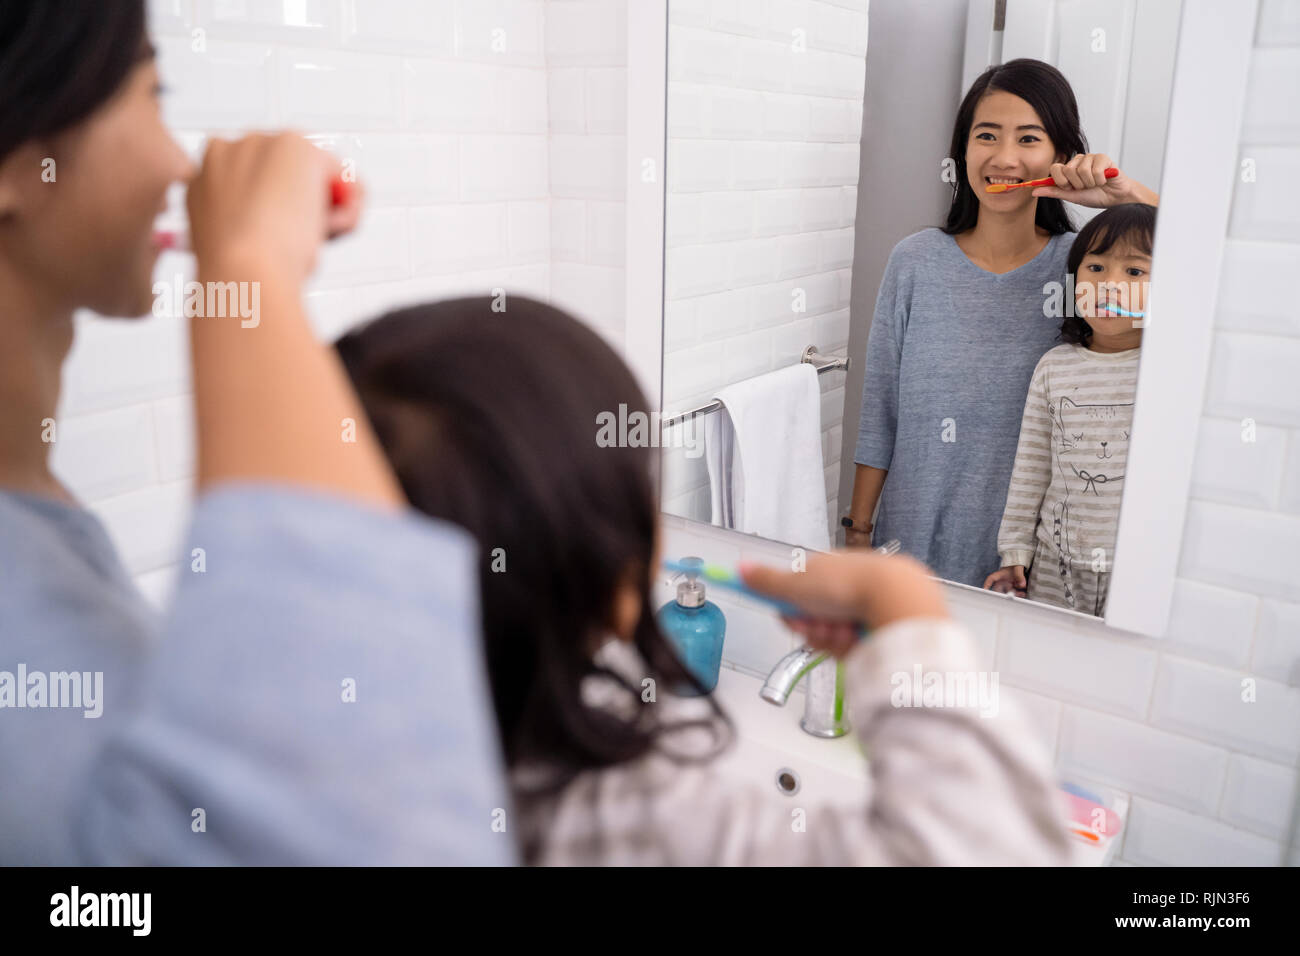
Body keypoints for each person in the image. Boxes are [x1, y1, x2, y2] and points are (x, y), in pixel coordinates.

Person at [0, 0, 511, 864]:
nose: (177, 158)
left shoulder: (32, 504)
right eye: (151, 92)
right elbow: (382, 838)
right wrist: (251, 267)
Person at [338, 297, 1075, 865]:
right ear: (614, 565)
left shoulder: (316, 758)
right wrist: (909, 614)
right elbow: (996, 849)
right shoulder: (606, 808)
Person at [844, 59, 1159, 588]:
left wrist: (1129, 200)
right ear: (962, 151)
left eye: (1028, 138)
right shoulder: (915, 261)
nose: (1004, 158)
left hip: (1029, 569)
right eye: (986, 135)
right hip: (906, 544)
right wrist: (858, 532)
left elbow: (1213, 297)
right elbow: (880, 408)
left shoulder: (1086, 276)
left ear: (1061, 155)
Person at [985, 204, 1155, 616]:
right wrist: (1014, 553)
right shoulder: (1054, 367)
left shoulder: (1169, 373)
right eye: (1095, 268)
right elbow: (1032, 467)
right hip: (1053, 565)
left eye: (1134, 272)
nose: (1110, 286)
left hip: (1139, 567)